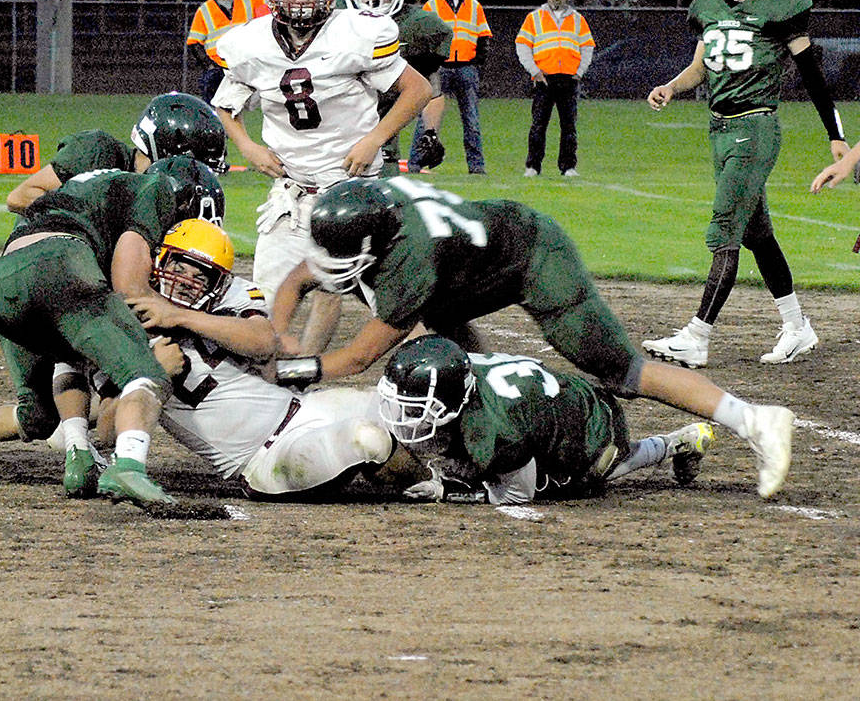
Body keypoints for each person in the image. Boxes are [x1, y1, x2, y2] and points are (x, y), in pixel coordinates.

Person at [269, 176, 794, 499]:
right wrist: (278, 338)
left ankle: (754, 421)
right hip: (466, 267)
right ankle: (479, 450)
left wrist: (299, 369)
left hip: (530, 257)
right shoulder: (373, 216)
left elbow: (360, 356)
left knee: (623, 370)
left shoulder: (410, 261)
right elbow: (300, 276)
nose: (329, 268)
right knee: (456, 369)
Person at [0, 156, 225, 505]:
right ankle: (130, 467)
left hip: (2, 286)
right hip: (57, 266)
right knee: (146, 371)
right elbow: (128, 286)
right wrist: (159, 330)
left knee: (39, 414)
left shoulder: (101, 189)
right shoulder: (156, 190)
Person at [212, 0, 432, 356]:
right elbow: (226, 102)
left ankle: (449, 379)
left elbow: (417, 89)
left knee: (400, 312)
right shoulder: (251, 43)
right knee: (262, 314)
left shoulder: (355, 34)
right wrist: (246, 145)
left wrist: (375, 139)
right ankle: (274, 397)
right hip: (292, 197)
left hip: (356, 197)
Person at [643, 0, 847, 370]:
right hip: (718, 128)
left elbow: (813, 76)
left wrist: (835, 135)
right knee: (757, 234)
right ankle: (797, 327)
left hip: (754, 129)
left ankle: (697, 335)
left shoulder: (783, 4)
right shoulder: (709, 0)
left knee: (725, 231)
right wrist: (673, 87)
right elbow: (701, 65)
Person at [117, 219, 395, 498]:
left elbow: (262, 342)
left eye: (200, 277)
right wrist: (152, 373)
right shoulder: (124, 329)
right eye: (178, 267)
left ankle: (432, 485)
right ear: (160, 262)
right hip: (267, 458)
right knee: (367, 438)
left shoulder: (231, 295)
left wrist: (179, 316)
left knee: (398, 406)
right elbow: (107, 427)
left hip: (303, 408)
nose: (185, 282)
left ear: (218, 283)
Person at [377, 336, 713, 505]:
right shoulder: (459, 370)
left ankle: (674, 443)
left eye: (416, 405)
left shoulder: (498, 428)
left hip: (592, 424)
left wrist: (448, 491)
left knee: (591, 477)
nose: (407, 414)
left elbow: (517, 495)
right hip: (555, 400)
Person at [337, 0, 454, 178]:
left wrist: (430, 132)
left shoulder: (420, 25)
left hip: (381, 148)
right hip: (325, 143)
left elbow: (431, 89)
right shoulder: (330, 17)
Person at [5, 92, 228, 214]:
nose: (196, 174)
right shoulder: (97, 153)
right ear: (167, 151)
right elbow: (19, 197)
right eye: (196, 164)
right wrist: (93, 218)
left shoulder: (166, 192)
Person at [413, 0, 492, 175]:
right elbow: (422, 37)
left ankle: (476, 167)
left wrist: (476, 65)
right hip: (439, 68)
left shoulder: (474, 6)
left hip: (466, 68)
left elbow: (483, 38)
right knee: (427, 118)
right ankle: (416, 163)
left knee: (472, 120)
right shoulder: (432, 5)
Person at [515, 0, 594, 178]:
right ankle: (533, 166)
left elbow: (587, 46)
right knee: (539, 125)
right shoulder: (534, 18)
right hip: (545, 79)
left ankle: (568, 166)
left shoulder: (577, 19)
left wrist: (580, 71)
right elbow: (522, 45)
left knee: (569, 126)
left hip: (569, 78)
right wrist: (534, 71)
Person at [185, 0, 269, 103]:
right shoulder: (205, 10)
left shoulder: (248, 0)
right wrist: (210, 66)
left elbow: (272, 0)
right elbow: (194, 43)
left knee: (235, 112)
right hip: (218, 69)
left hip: (244, 67)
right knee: (215, 109)